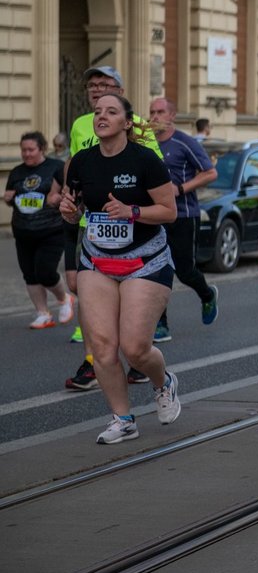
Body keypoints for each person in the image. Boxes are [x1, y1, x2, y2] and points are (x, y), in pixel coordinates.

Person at [59, 93, 180, 444]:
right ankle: (123, 419)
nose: (102, 116)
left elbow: (169, 211)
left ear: (126, 123)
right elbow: (74, 210)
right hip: (96, 261)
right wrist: (70, 212)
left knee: (135, 348)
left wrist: (133, 212)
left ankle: (163, 382)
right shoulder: (81, 162)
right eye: (98, 111)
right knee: (101, 347)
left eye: (111, 112)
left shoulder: (145, 160)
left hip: (145, 260)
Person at [64, 66, 162, 391]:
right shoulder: (80, 125)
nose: (97, 89)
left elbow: (156, 177)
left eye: (104, 84)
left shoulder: (139, 128)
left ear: (120, 92)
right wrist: (67, 202)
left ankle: (138, 356)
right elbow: (73, 167)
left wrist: (132, 209)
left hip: (137, 231)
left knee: (132, 321)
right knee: (88, 297)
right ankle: (94, 359)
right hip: (91, 226)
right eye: (92, 85)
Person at [148, 97, 220, 347]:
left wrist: (179, 189)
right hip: (154, 216)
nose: (155, 117)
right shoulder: (145, 144)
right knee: (156, 270)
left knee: (185, 271)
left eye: (160, 112)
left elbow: (210, 172)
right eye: (152, 112)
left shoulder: (184, 142)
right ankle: (160, 323)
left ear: (172, 116)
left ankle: (207, 294)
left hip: (183, 215)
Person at [4, 132, 73, 329]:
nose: (26, 154)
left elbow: (68, 193)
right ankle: (43, 313)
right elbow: (14, 199)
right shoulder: (16, 172)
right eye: (23, 150)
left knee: (45, 272)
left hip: (51, 230)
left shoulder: (56, 167)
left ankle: (63, 298)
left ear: (41, 149)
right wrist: (8, 199)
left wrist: (59, 199)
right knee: (30, 274)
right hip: (23, 231)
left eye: (31, 150)